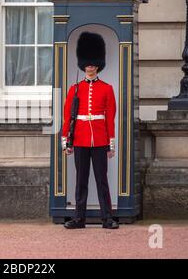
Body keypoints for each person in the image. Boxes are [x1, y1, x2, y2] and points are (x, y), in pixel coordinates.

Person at [61, 32, 119, 230]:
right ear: (83, 64)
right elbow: (67, 117)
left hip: (100, 140)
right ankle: (79, 218)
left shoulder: (107, 88)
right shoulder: (74, 89)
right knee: (81, 181)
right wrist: (66, 142)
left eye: (93, 63)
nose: (90, 66)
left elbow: (110, 118)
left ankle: (107, 218)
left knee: (102, 180)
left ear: (98, 65)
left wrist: (111, 144)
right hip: (79, 139)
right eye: (88, 63)